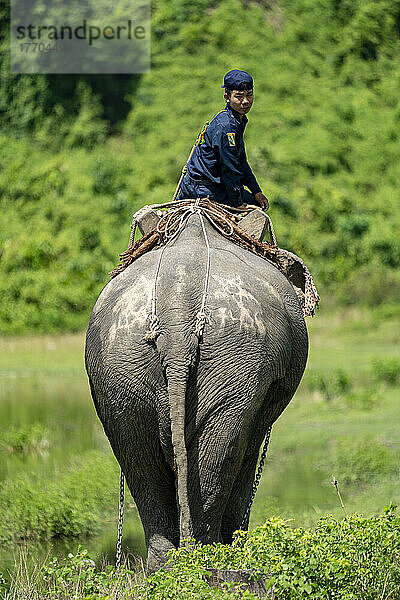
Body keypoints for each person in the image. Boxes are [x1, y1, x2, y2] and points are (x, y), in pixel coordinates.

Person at [177, 69, 269, 210]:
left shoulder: (236, 120)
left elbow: (241, 160)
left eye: (249, 95)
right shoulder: (226, 127)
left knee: (256, 199)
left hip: (202, 183)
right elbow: (230, 168)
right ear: (227, 97)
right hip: (204, 188)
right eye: (239, 96)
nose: (245, 101)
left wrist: (256, 190)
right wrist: (238, 204)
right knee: (256, 208)